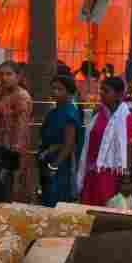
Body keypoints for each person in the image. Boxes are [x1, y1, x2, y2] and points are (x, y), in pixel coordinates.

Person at [78, 75, 132, 208]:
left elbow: (128, 147)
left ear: (118, 95)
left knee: (105, 211)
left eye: (106, 91)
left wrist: (126, 177)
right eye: (101, 90)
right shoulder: (98, 114)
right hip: (92, 173)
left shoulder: (126, 117)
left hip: (111, 175)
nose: (101, 94)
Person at [0, 61, 33, 201]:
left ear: (18, 76)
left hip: (13, 147)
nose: (4, 78)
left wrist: (15, 150)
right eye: (1, 74)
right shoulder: (1, 93)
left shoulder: (21, 96)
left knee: (11, 186)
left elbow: (22, 126)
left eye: (9, 74)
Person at [38, 73, 84, 206]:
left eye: (59, 89)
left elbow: (68, 144)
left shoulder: (70, 113)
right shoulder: (54, 111)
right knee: (46, 198)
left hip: (61, 163)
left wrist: (54, 166)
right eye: (53, 88)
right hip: (48, 159)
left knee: (57, 199)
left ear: (69, 92)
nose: (55, 92)